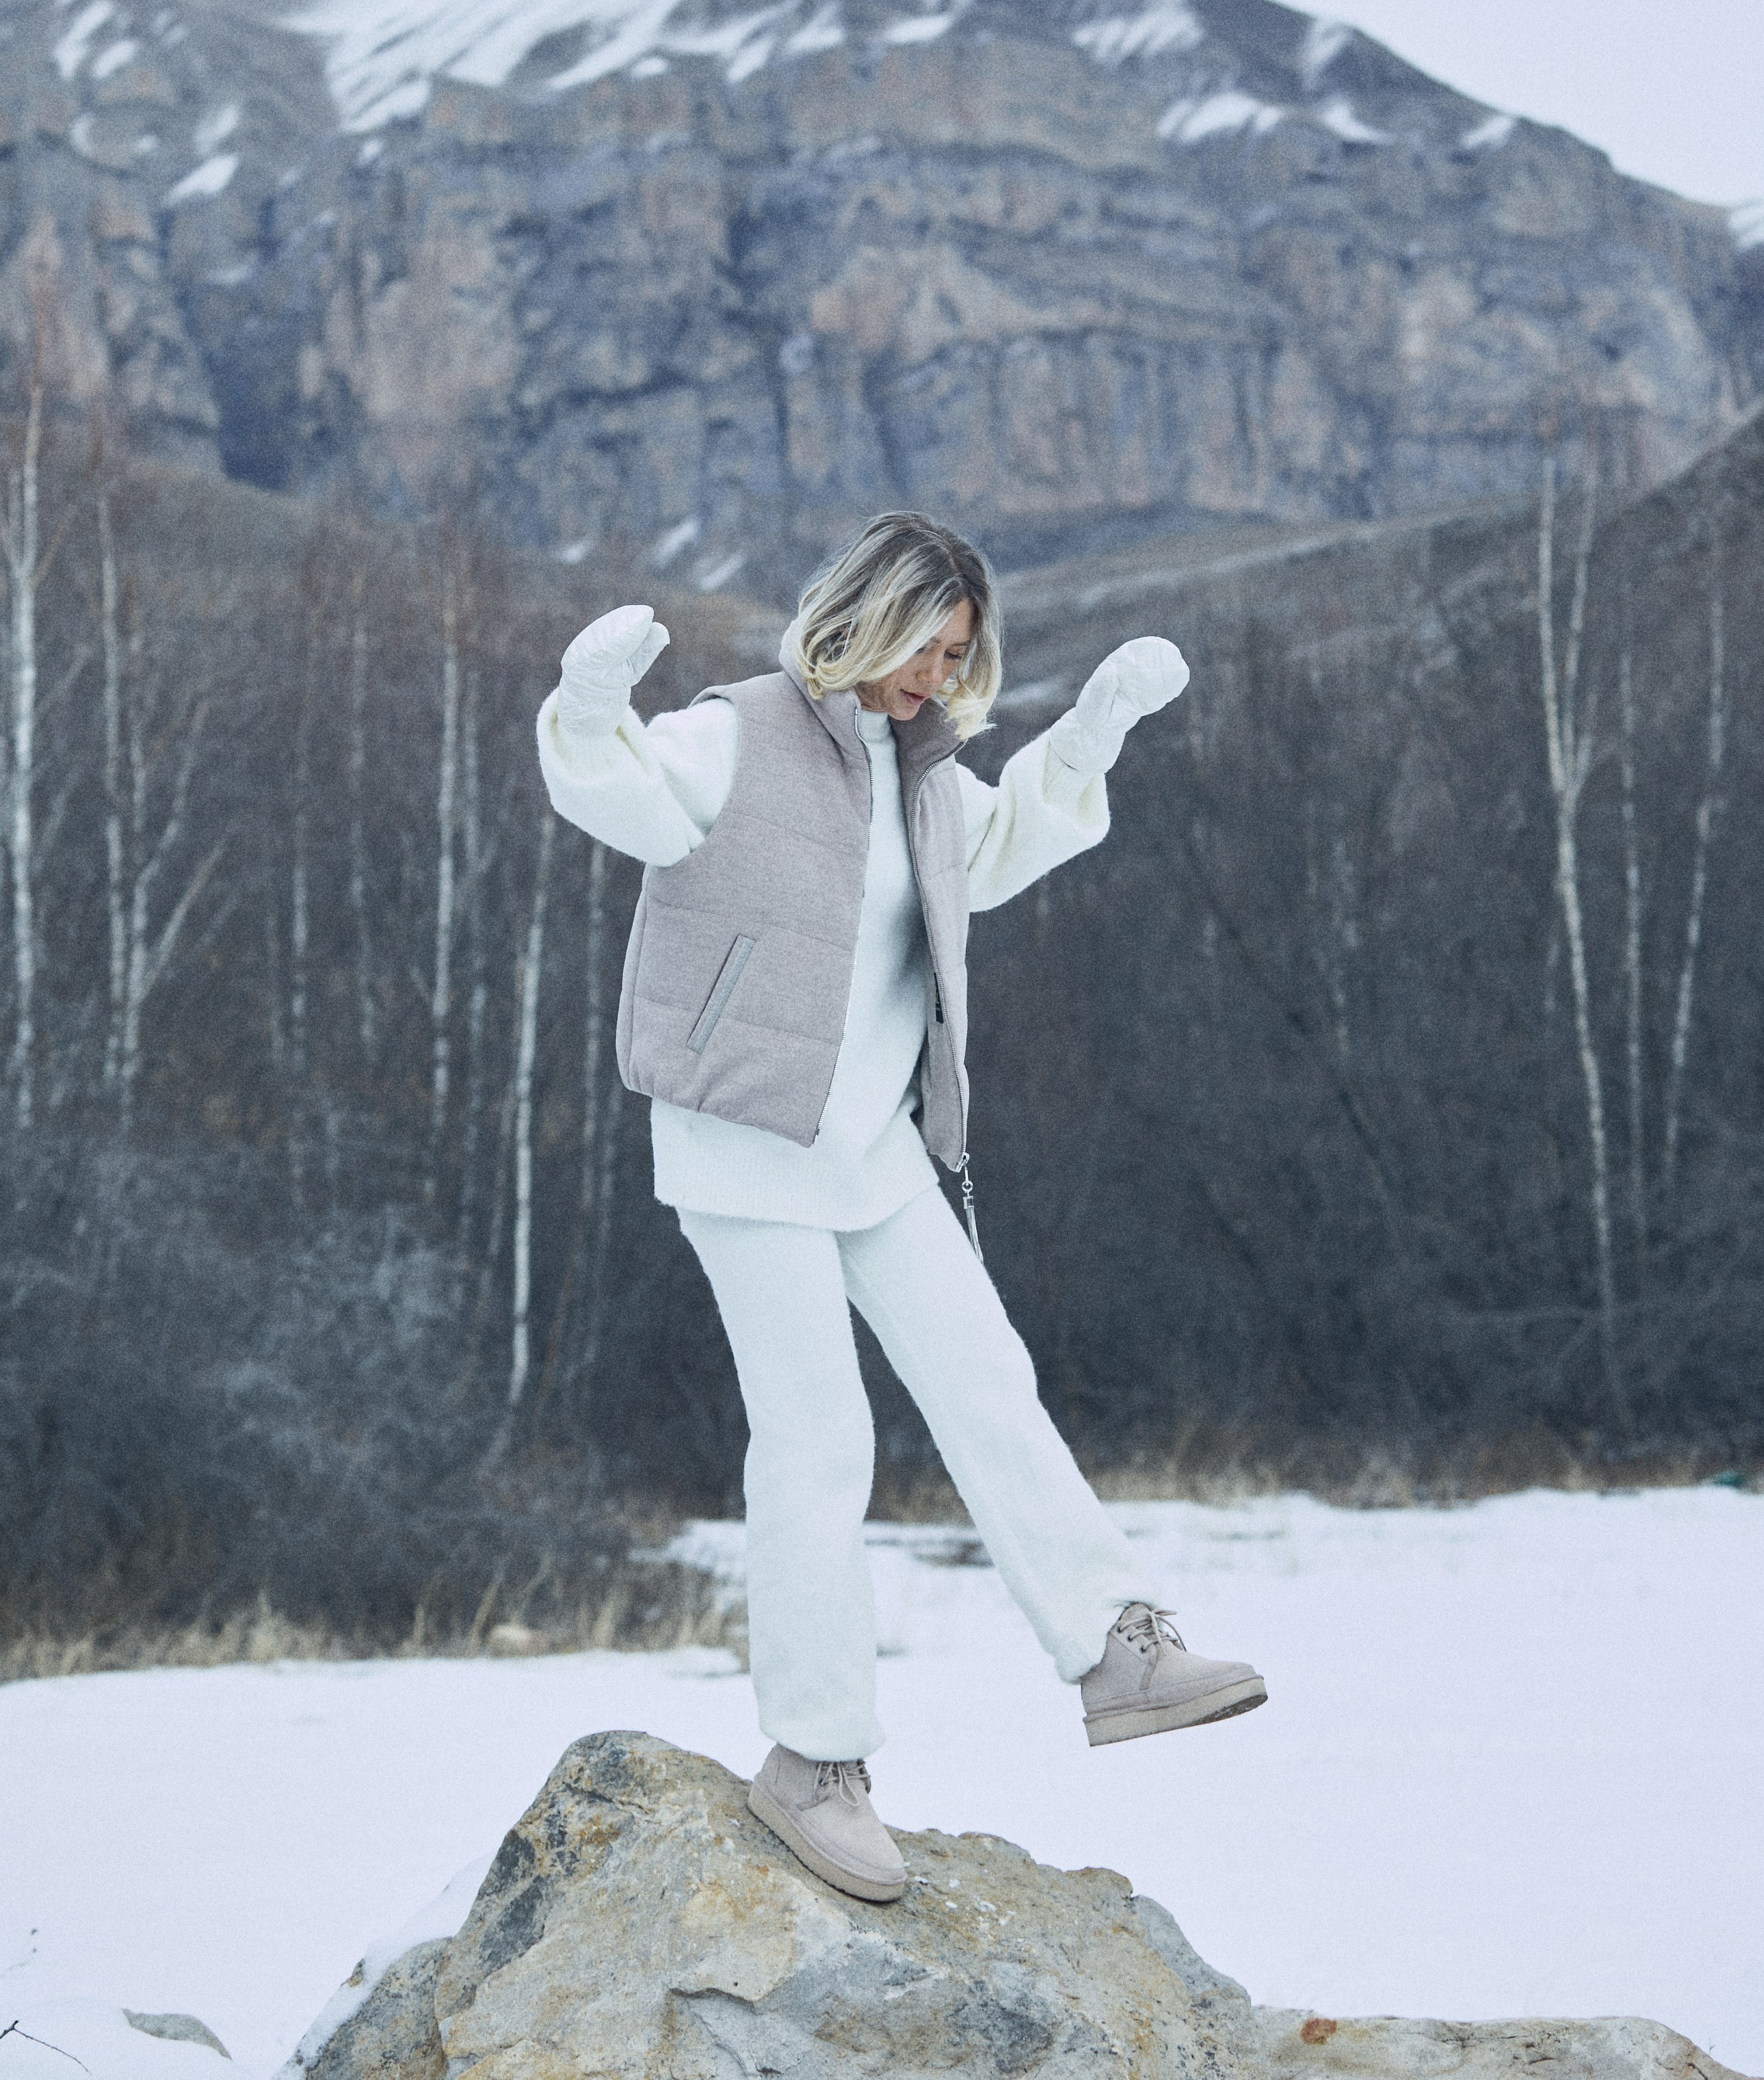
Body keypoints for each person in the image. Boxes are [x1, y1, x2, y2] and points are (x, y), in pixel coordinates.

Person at [536, 510, 1265, 1903]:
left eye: (958, 654)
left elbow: (994, 856)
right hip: (746, 1148)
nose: (937, 676)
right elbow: (625, 795)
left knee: (991, 1383)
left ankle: (1119, 1649)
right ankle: (814, 1759)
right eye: (925, 646)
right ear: (864, 617)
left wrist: (1094, 729)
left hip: (873, 1150)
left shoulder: (923, 771)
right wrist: (586, 705)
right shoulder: (737, 731)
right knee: (817, 1438)